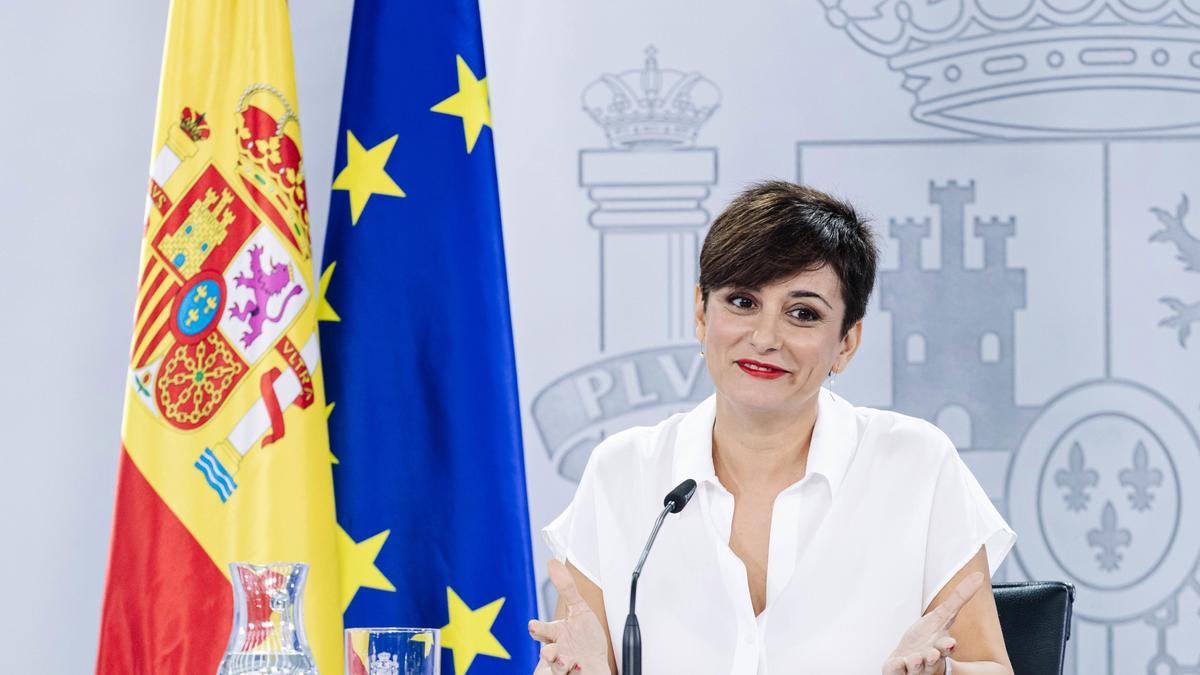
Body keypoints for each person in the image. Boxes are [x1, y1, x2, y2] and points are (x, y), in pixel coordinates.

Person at [528, 181, 1017, 674]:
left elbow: (993, 669)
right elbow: (572, 663)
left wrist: (946, 672)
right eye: (742, 302)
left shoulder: (915, 464)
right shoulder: (624, 472)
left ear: (846, 342)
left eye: (802, 314)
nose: (765, 338)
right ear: (701, 314)